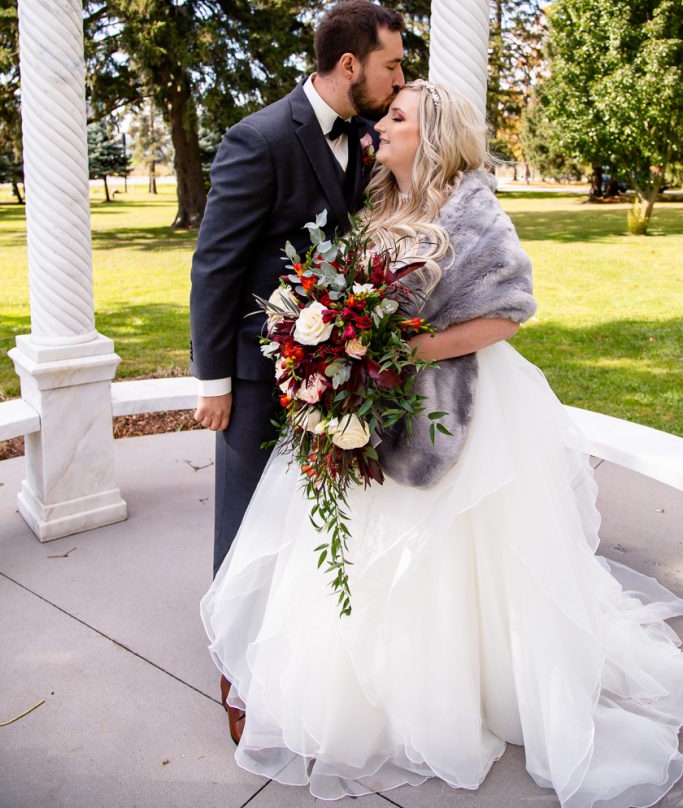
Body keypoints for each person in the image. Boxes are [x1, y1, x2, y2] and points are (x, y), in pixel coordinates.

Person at [200, 79, 683, 806]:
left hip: (451, 417)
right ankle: (375, 687)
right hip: (374, 410)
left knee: (451, 562)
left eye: (396, 118)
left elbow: (508, 314)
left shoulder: (471, 209)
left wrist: (399, 351)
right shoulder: (378, 203)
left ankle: (459, 692)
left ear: (431, 137)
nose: (379, 126)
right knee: (360, 555)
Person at [190, 0, 405, 739]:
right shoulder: (257, 138)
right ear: (350, 65)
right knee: (244, 513)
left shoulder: (373, 131)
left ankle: (301, 645)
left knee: (310, 509)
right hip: (253, 373)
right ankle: (236, 664)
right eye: (391, 64)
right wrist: (212, 381)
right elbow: (215, 263)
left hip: (335, 362)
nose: (400, 77)